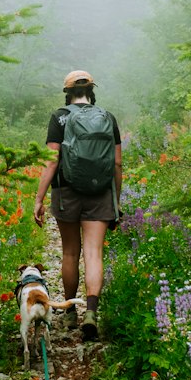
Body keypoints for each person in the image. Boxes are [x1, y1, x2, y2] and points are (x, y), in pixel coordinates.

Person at [33, 70, 122, 342]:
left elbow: (52, 161)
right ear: (91, 90)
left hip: (66, 191)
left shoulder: (59, 117)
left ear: (67, 92)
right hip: (100, 193)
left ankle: (70, 311)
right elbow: (117, 164)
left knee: (71, 252)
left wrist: (39, 198)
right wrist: (116, 200)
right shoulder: (107, 117)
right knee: (94, 253)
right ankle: (92, 313)